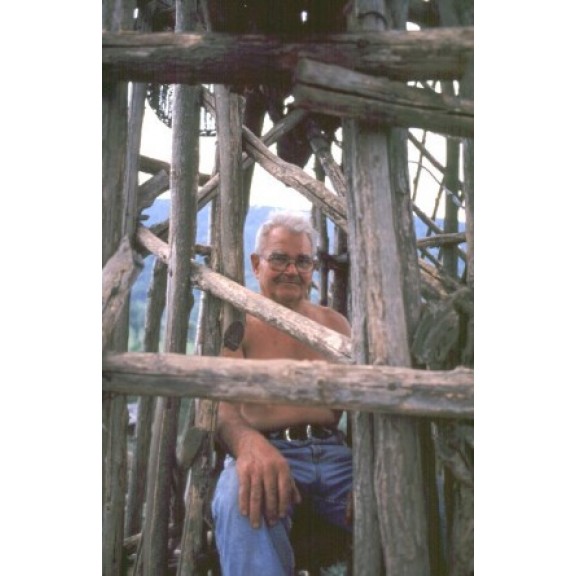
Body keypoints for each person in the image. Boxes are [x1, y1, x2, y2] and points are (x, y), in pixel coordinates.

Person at [211, 212, 353, 575]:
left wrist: (370, 467)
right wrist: (249, 446)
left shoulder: (335, 325)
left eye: (302, 261)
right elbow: (224, 412)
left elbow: (364, 407)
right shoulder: (238, 325)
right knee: (239, 499)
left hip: (339, 458)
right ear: (257, 264)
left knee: (417, 494)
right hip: (267, 449)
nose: (292, 270)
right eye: (279, 258)